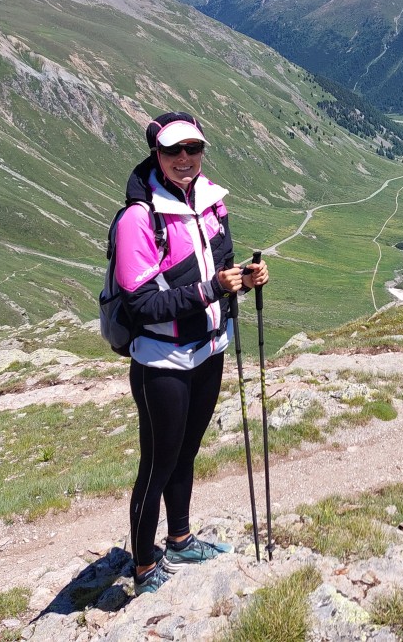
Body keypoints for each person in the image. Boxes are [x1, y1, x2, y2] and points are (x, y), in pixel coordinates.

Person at [112, 111, 269, 595]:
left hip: (208, 349)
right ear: (156, 154)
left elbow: (222, 265)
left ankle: (179, 538)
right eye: (174, 150)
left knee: (187, 451)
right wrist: (208, 291)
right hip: (161, 359)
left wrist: (245, 277)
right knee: (157, 464)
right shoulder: (139, 218)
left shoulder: (212, 203)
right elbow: (139, 303)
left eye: (193, 149)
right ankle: (142, 565)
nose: (185, 159)